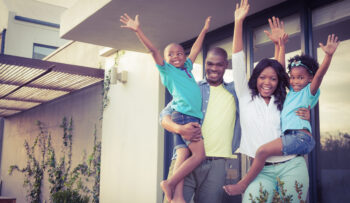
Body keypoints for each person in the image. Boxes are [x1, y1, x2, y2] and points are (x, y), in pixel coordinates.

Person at [224, 8, 340, 196]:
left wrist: (280, 46)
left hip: (291, 165)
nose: (267, 83)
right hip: (260, 170)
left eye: (273, 79)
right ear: (256, 78)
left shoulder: (283, 98)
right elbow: (237, 59)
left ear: (279, 81)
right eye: (262, 78)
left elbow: (280, 72)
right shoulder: (246, 96)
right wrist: (238, 23)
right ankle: (244, 184)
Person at [120, 13, 211, 202]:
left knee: (182, 156)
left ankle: (177, 196)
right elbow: (153, 50)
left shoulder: (186, 67)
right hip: (184, 117)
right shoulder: (166, 70)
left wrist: (204, 30)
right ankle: (169, 183)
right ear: (165, 59)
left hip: (186, 116)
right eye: (171, 54)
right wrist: (138, 31)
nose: (176, 56)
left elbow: (195, 48)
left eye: (179, 53)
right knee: (199, 155)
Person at [160, 46, 242, 203]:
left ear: (226, 65)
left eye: (219, 64)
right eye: (210, 64)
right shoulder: (192, 87)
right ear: (205, 64)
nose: (213, 68)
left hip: (217, 165)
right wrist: (179, 128)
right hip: (186, 162)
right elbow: (164, 116)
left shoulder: (235, 92)